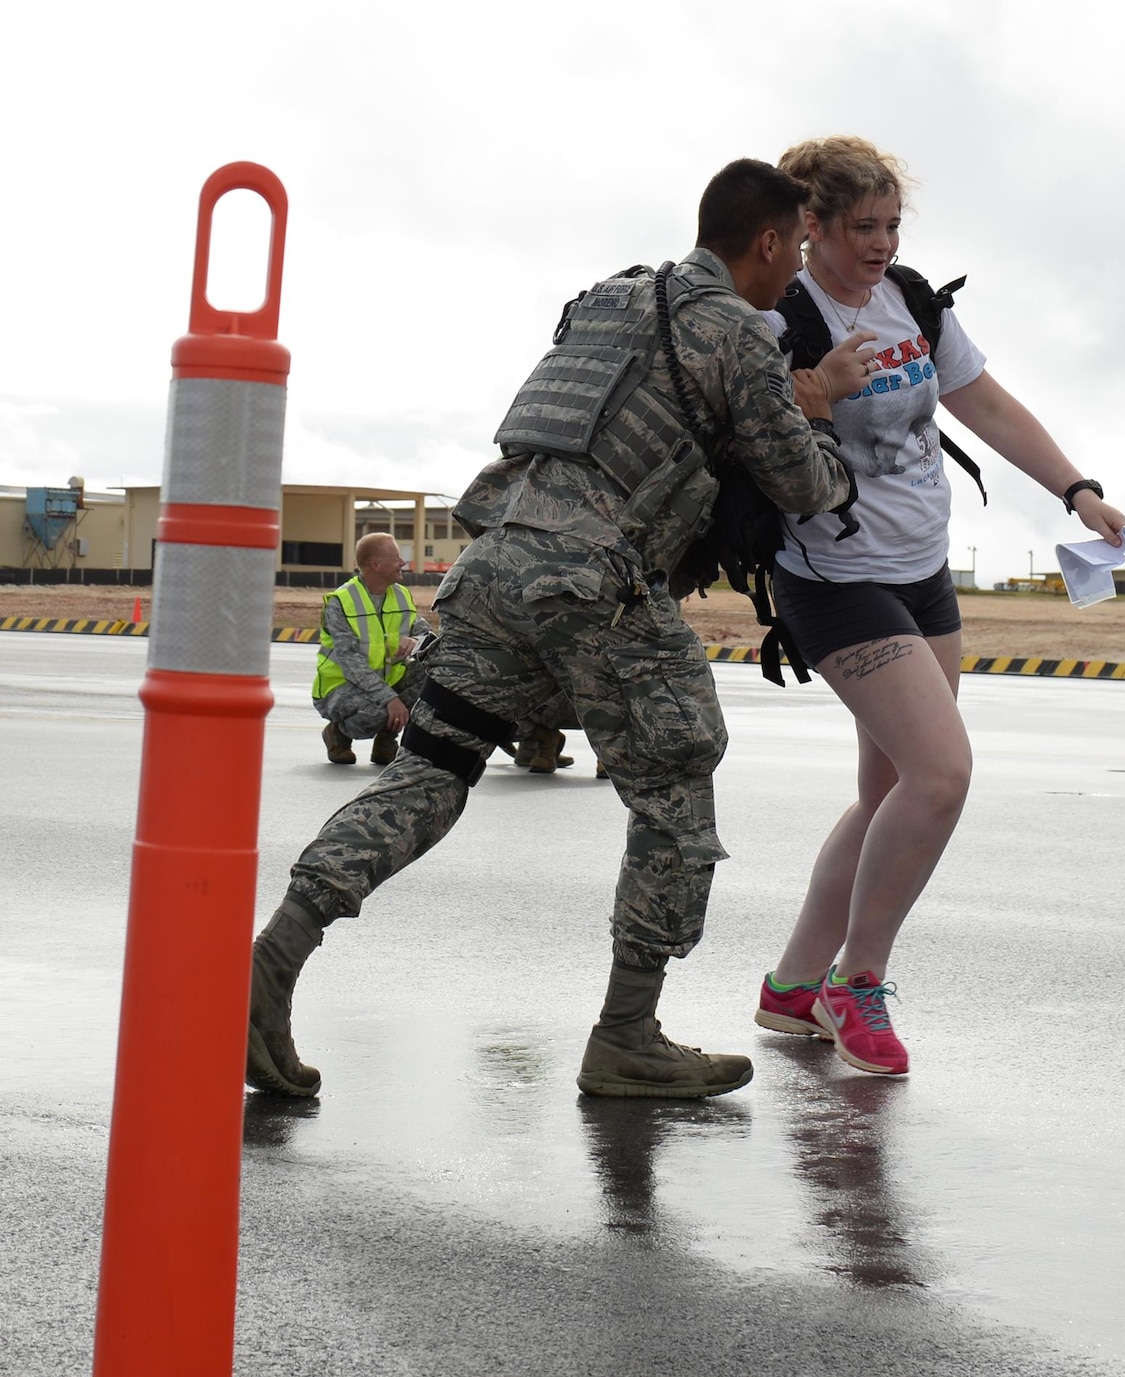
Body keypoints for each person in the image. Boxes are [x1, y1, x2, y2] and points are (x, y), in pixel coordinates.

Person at [244, 158, 873, 1101]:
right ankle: (627, 1034)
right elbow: (803, 484)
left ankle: (269, 963)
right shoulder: (736, 333)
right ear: (773, 242)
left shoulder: (612, 296)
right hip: (594, 584)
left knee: (433, 768)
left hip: (495, 566)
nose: (794, 276)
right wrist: (819, 408)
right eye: (793, 254)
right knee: (677, 773)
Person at [751, 136, 1125, 1077]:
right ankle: (857, 982)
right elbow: (753, 435)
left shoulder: (910, 297)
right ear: (813, 226)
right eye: (862, 227)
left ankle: (793, 985)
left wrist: (1076, 489)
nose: (881, 244)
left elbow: (987, 406)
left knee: (891, 794)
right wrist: (815, 391)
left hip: (921, 571)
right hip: (834, 578)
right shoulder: (781, 319)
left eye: (892, 224)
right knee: (943, 774)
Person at [311, 532, 430, 766]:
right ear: (376, 565)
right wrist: (391, 700)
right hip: (340, 687)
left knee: (434, 675)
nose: (402, 562)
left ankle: (386, 742)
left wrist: (416, 641)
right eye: (396, 557)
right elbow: (352, 666)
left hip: (383, 684)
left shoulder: (400, 595)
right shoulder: (341, 602)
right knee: (377, 713)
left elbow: (429, 636)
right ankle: (338, 733)